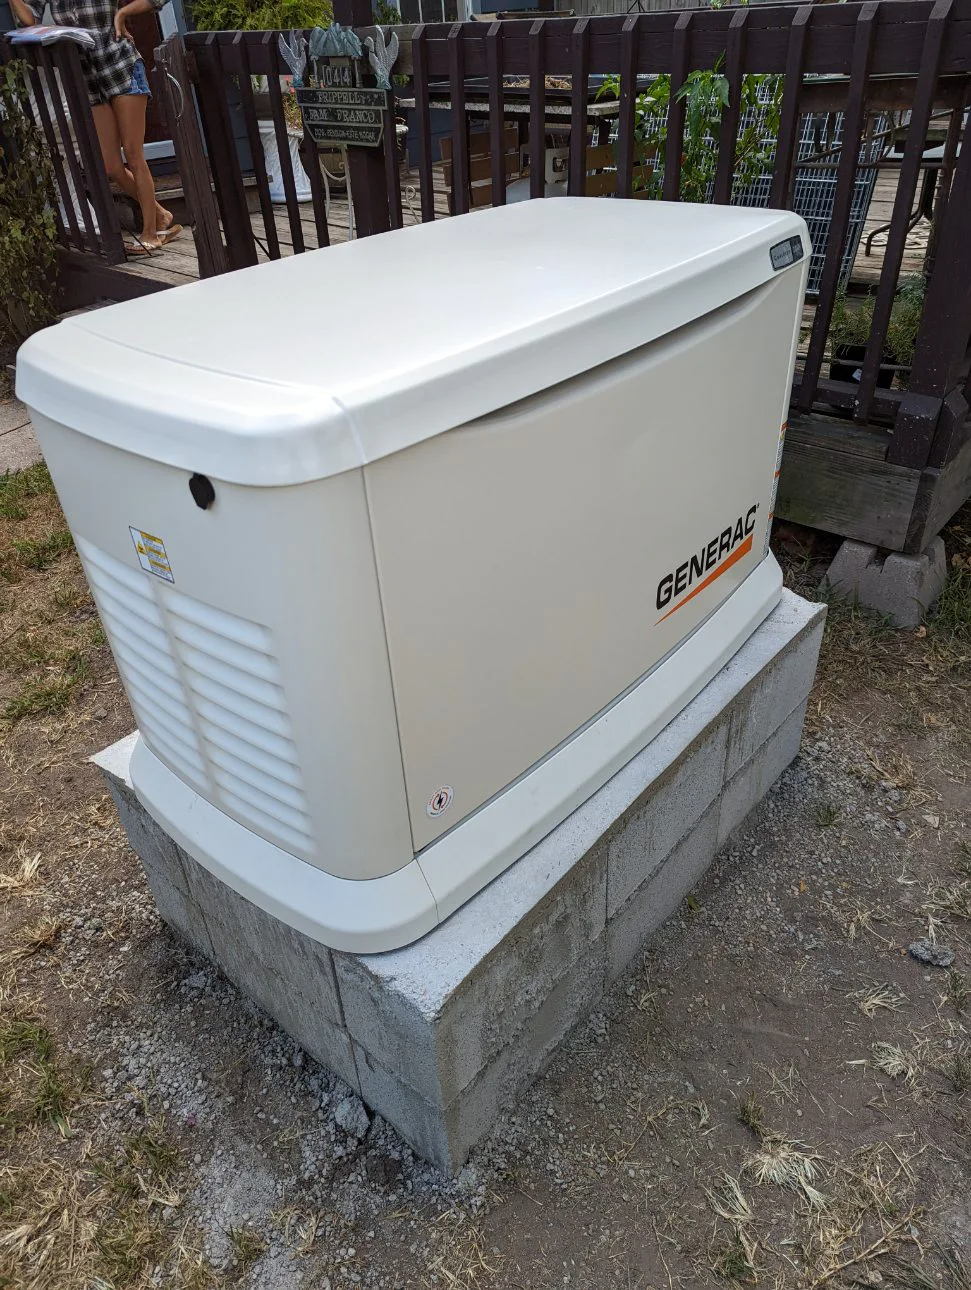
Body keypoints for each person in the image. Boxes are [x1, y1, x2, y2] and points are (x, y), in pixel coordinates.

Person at [9, 0, 182, 254]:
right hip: (89, 78)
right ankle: (160, 214)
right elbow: (29, 19)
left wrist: (123, 12)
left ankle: (150, 233)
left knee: (134, 155)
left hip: (121, 67)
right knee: (110, 164)